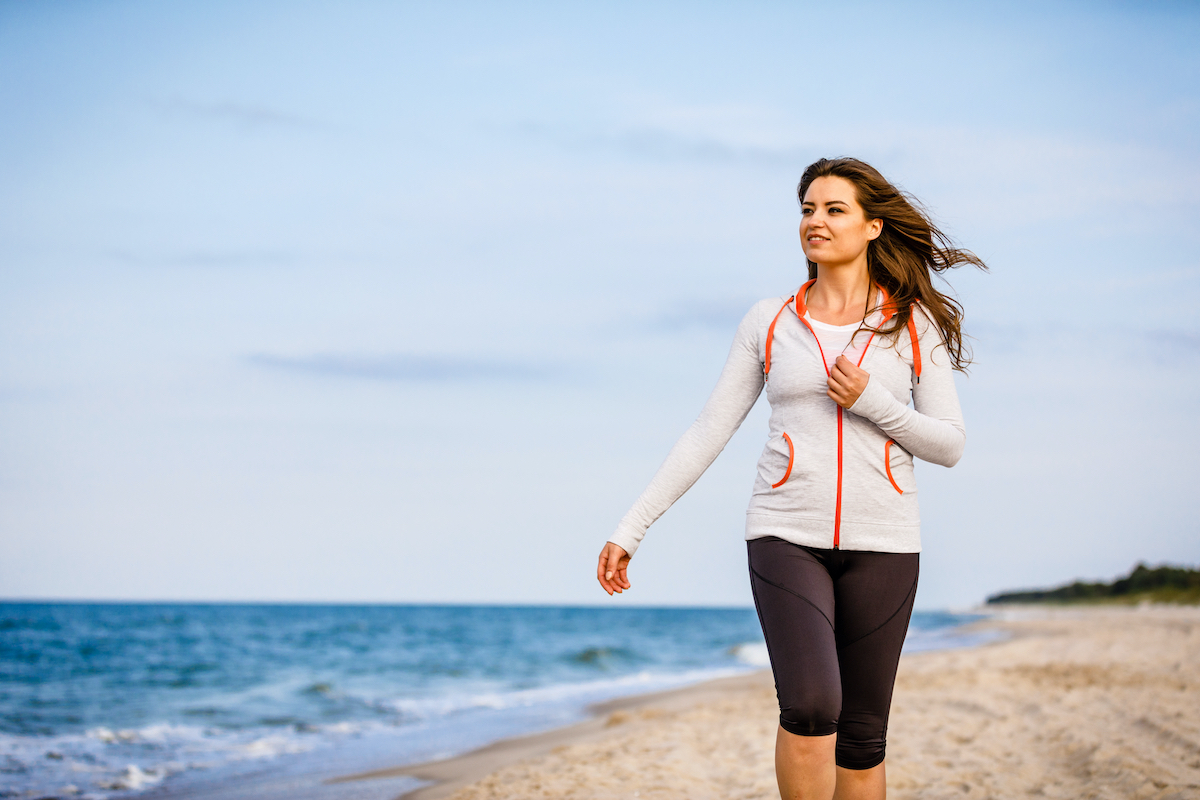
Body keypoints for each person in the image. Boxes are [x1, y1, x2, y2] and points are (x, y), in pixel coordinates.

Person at [595, 157, 986, 800]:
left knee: (862, 737)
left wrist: (874, 404)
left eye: (834, 210)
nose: (816, 221)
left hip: (884, 544)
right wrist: (631, 527)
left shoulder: (912, 325)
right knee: (809, 705)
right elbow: (707, 432)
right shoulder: (769, 321)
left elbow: (950, 445)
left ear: (873, 228)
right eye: (808, 208)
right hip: (784, 534)